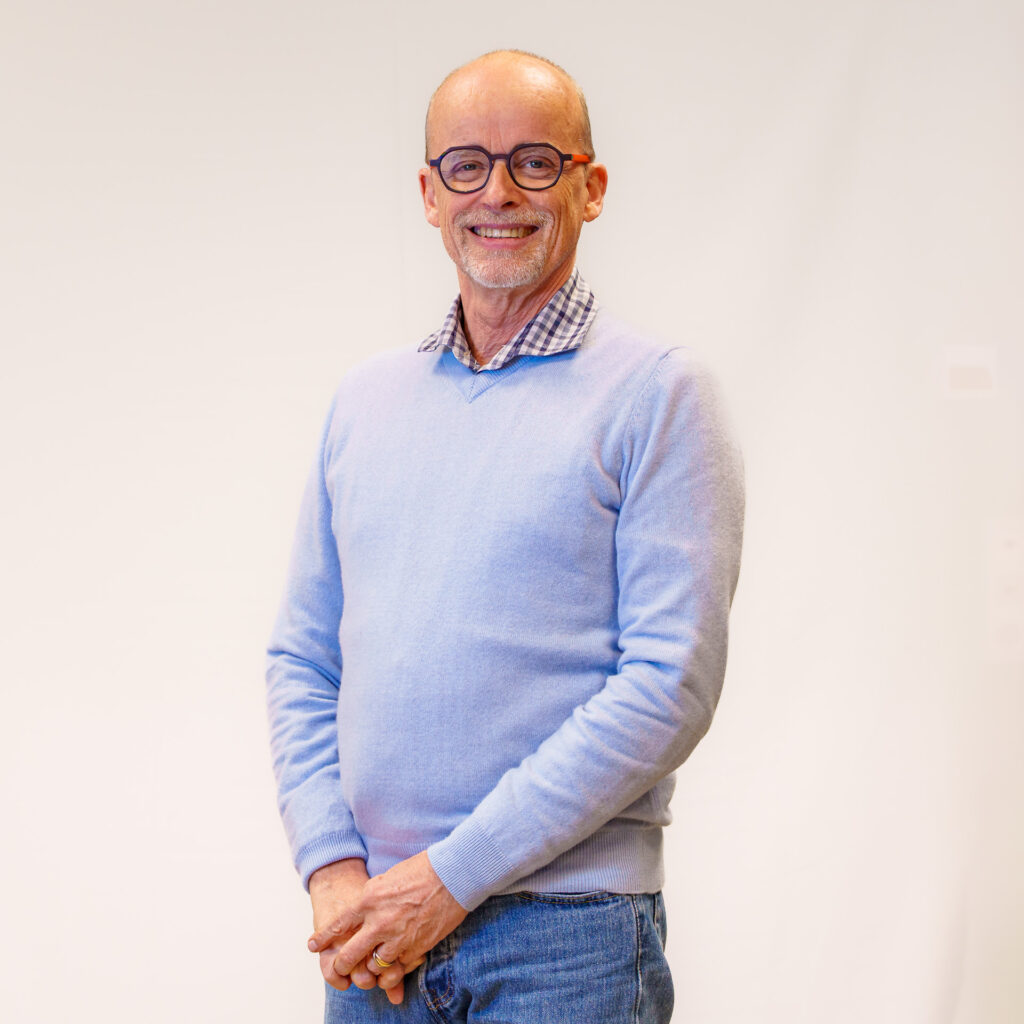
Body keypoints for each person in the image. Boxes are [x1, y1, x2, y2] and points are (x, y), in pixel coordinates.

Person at [266, 49, 744, 1023]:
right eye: (466, 166)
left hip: (565, 938)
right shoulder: (364, 401)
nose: (497, 192)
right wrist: (331, 865)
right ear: (428, 195)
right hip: (373, 938)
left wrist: (450, 877)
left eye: (534, 161)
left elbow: (669, 684)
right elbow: (303, 659)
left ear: (590, 187)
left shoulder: (659, 392)